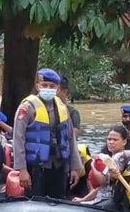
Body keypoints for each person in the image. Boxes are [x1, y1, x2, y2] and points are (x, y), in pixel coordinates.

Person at [13, 67, 82, 199]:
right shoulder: (27, 107)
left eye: (52, 86)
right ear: (37, 86)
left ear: (57, 88)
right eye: (44, 85)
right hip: (36, 167)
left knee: (60, 200)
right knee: (35, 202)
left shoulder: (62, 107)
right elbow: (18, 138)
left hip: (60, 165)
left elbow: (70, 138)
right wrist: (21, 169)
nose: (48, 89)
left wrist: (75, 166)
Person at [73, 126, 128, 204]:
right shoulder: (109, 157)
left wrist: (93, 165)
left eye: (115, 140)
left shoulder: (122, 158)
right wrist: (83, 199)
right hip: (101, 197)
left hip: (110, 200)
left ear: (124, 142)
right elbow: (101, 188)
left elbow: (102, 182)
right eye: (109, 139)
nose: (111, 142)